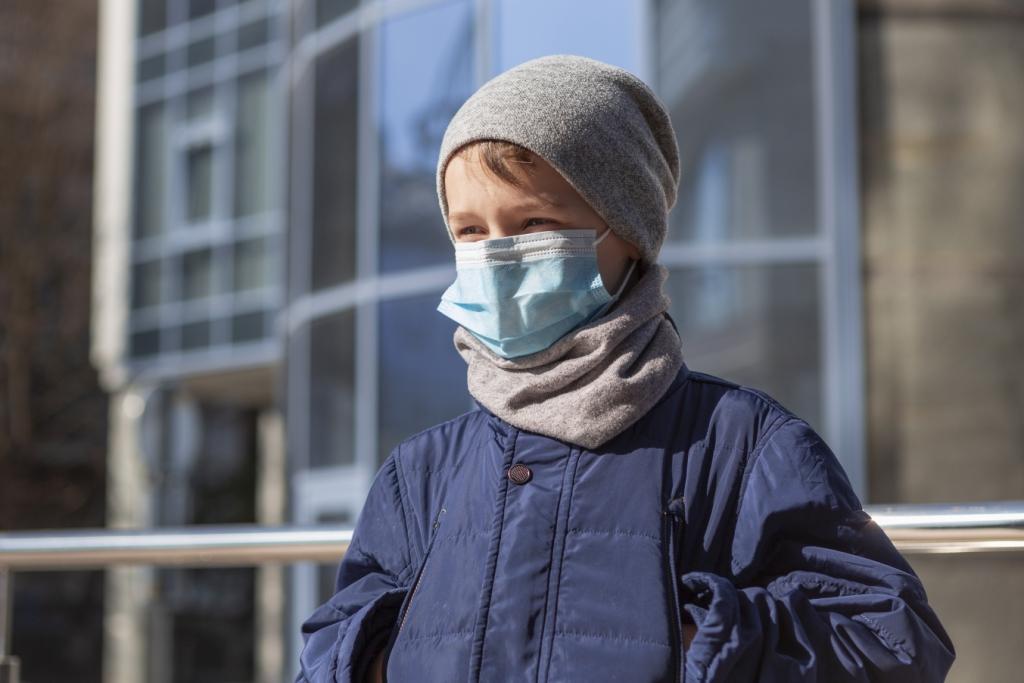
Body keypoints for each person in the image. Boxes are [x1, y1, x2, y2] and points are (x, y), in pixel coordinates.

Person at [296, 54, 955, 682]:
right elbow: (330, 648)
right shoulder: (419, 474)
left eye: (534, 221)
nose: (496, 255)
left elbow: (892, 645)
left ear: (628, 230)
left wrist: (697, 641)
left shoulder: (743, 444)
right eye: (470, 231)